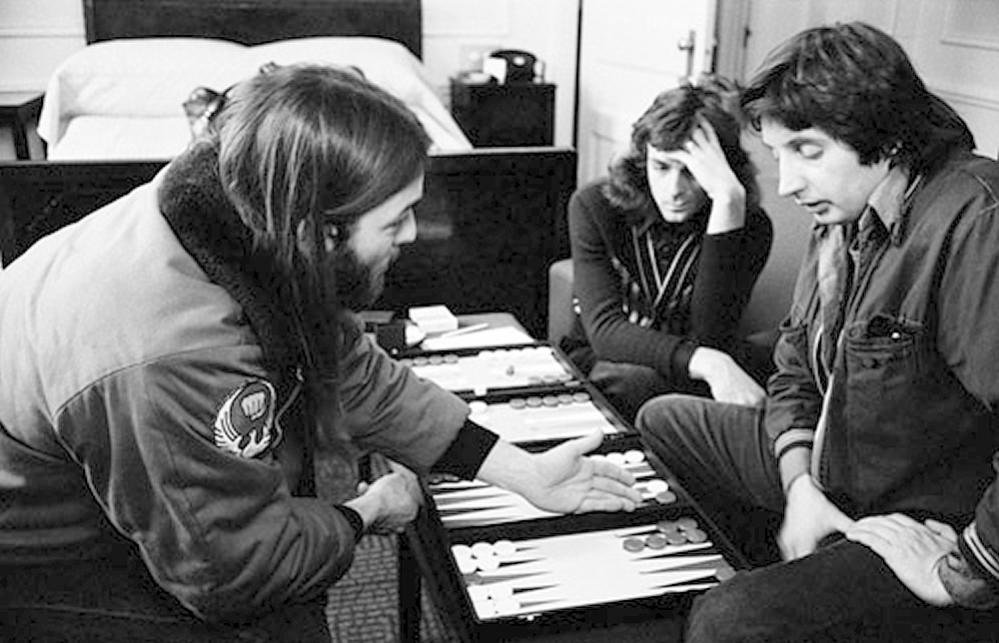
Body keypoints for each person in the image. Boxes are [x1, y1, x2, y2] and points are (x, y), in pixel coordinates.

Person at [0, 64, 642, 642]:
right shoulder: (172, 355)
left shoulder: (245, 209)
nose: (413, 235)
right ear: (320, 229)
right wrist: (363, 512)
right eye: (395, 221)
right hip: (42, 558)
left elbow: (352, 369)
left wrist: (519, 470)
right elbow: (230, 577)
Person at [636, 22, 999, 641]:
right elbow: (797, 368)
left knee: (729, 622)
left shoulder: (974, 219)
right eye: (779, 155)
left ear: (886, 137)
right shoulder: (842, 216)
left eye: (807, 150)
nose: (786, 183)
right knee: (663, 419)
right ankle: (784, 569)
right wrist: (799, 482)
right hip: (837, 471)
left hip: (919, 517)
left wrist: (963, 569)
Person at [560, 75, 773, 421]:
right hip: (608, 363)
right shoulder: (594, 206)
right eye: (661, 167)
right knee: (633, 381)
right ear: (643, 160)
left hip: (693, 372)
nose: (674, 189)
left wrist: (727, 203)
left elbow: (712, 335)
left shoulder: (749, 227)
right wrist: (709, 363)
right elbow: (605, 331)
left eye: (691, 172)